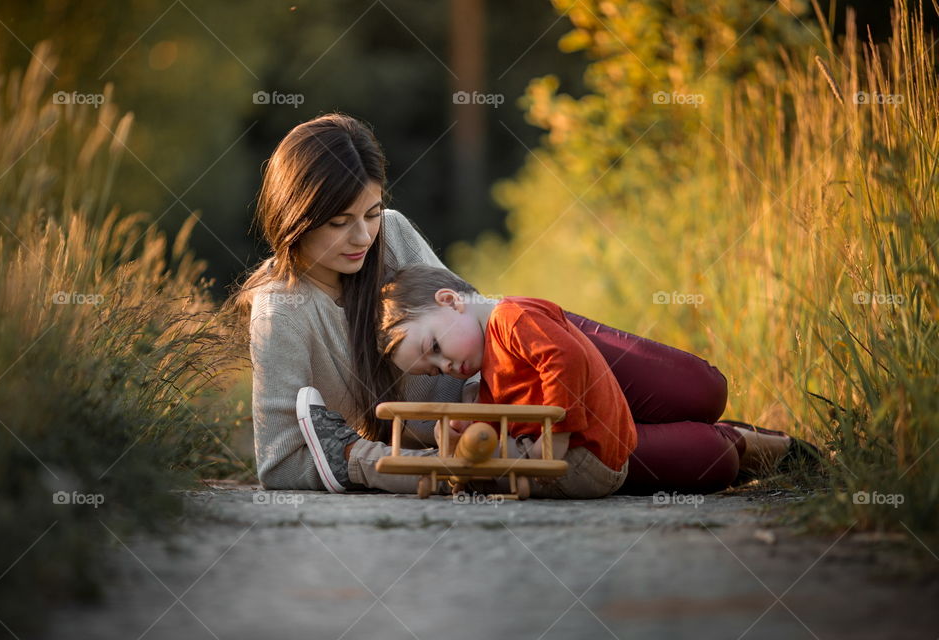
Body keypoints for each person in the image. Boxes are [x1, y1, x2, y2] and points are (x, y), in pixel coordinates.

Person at [228, 112, 817, 497]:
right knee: (705, 457)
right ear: (296, 217)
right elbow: (278, 464)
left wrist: (532, 371)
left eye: (372, 213)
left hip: (524, 347)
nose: (363, 237)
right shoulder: (282, 311)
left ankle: (728, 428)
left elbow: (468, 315)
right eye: (339, 222)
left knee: (702, 388)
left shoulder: (392, 233)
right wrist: (376, 459)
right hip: (494, 432)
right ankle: (752, 446)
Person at [378, 265, 638, 499]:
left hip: (580, 455)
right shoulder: (490, 359)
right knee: (470, 431)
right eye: (436, 371)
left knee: (474, 466)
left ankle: (457, 478)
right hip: (583, 459)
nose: (445, 366)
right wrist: (463, 427)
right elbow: (495, 417)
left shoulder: (511, 318)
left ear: (450, 301)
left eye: (435, 346)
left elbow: (566, 360)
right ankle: (459, 469)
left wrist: (555, 436)